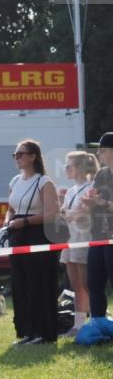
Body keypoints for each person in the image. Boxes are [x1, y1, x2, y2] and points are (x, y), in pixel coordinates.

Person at [2, 139, 60, 344]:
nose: (17, 158)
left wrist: (25, 221)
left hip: (38, 235)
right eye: (15, 155)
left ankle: (43, 332)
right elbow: (10, 209)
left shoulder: (44, 182)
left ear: (33, 156)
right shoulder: (15, 181)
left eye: (21, 154)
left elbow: (52, 214)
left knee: (38, 283)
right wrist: (8, 223)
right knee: (20, 283)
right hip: (17, 236)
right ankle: (26, 330)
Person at [58, 151, 99, 335]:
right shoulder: (71, 191)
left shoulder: (91, 187)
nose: (66, 169)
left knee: (87, 284)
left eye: (69, 166)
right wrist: (64, 210)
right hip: (70, 239)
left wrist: (66, 213)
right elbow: (66, 215)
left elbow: (79, 215)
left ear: (81, 168)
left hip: (84, 239)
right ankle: (79, 324)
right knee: (75, 285)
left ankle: (97, 319)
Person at [82, 132, 113, 321]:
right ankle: (98, 322)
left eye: (102, 150)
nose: (99, 154)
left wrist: (104, 203)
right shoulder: (101, 173)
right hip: (98, 235)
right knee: (94, 282)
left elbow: (104, 202)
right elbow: (93, 197)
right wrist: (88, 201)